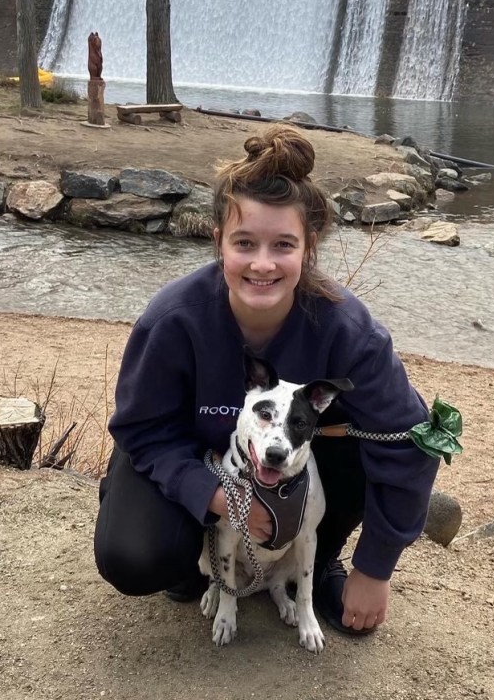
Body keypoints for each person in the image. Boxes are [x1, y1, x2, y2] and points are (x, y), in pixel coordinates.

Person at [94, 125, 440, 636]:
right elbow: (142, 431)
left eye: (283, 245)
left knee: (357, 438)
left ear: (309, 246)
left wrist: (376, 567)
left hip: (299, 467)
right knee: (136, 558)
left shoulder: (349, 331)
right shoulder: (172, 320)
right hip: (193, 460)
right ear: (219, 244)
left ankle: (320, 560)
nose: (262, 263)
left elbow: (408, 441)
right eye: (244, 243)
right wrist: (219, 497)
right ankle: (192, 551)